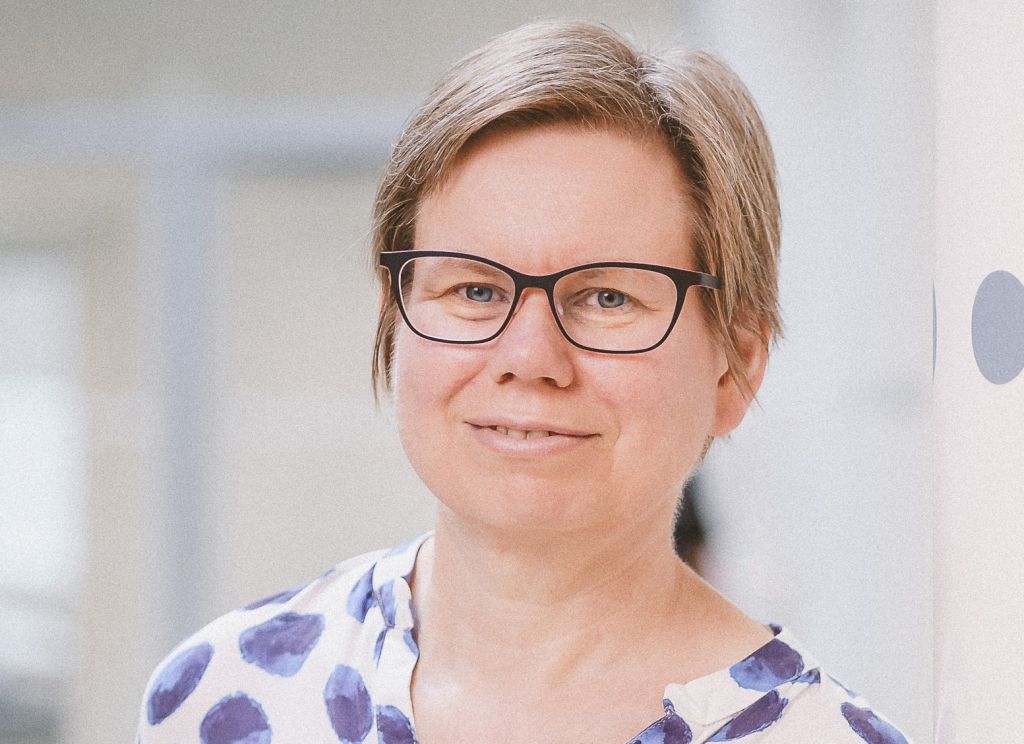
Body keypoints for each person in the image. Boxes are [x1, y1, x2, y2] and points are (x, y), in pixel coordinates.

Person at [137, 20, 911, 744]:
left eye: (608, 298)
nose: (531, 356)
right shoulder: (223, 699)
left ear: (734, 366)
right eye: (474, 290)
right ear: (395, 320)